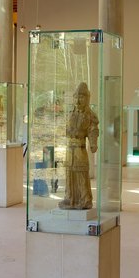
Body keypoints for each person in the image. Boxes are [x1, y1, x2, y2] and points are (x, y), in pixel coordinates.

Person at [59, 82, 99, 210]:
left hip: (80, 149)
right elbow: (64, 128)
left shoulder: (90, 115)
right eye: (76, 97)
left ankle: (84, 199)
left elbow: (93, 130)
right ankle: (70, 198)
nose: (78, 100)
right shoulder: (70, 113)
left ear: (87, 98)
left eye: (81, 97)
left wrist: (93, 143)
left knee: (81, 173)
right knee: (69, 173)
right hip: (69, 149)